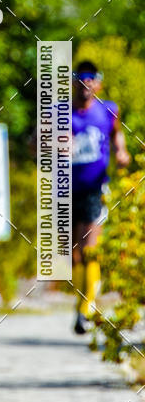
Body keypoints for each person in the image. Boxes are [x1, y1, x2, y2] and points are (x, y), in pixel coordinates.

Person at [72, 60, 130, 334]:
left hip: (96, 187)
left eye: (90, 79)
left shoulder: (108, 110)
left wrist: (121, 152)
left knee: (90, 249)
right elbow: (37, 141)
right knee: (73, 255)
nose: (85, 84)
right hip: (66, 190)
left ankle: (86, 309)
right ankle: (82, 301)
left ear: (98, 83)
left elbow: (118, 136)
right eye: (80, 78)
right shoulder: (61, 113)